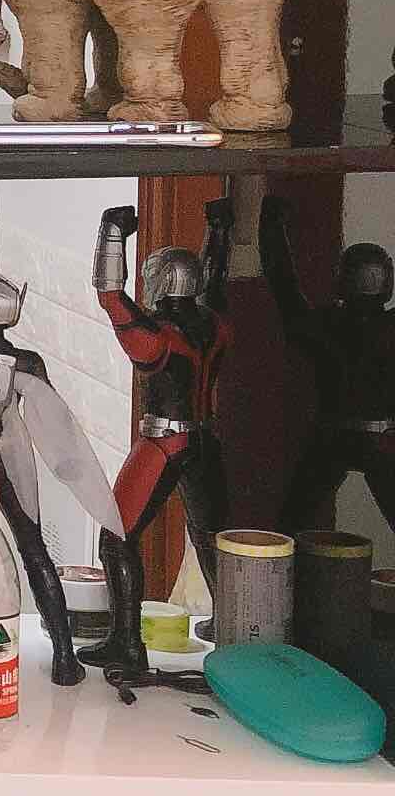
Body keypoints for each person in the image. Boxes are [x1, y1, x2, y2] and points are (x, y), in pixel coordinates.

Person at [0, 273, 123, 686]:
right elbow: (56, 421)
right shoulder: (29, 363)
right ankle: (64, 656)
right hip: (14, 458)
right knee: (33, 548)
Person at [89, 200, 235, 688]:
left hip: (163, 442)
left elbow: (111, 295)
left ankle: (127, 644)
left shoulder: (158, 338)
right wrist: (218, 228)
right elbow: (215, 282)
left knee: (116, 537)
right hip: (206, 442)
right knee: (213, 542)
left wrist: (112, 232)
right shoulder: (215, 324)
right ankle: (234, 641)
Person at [260, 195, 395, 532]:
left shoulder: (325, 325)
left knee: (287, 530)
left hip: (331, 435)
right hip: (381, 438)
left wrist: (271, 224)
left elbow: (284, 286)